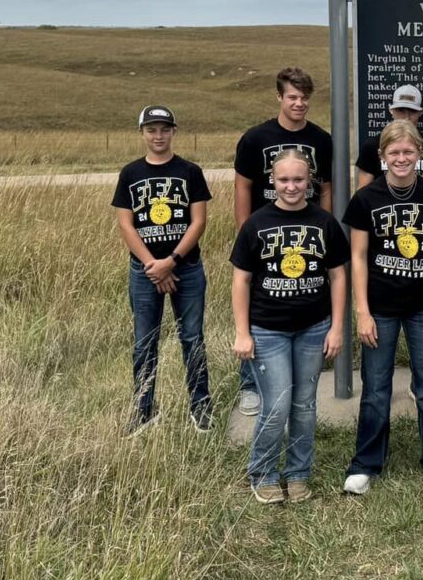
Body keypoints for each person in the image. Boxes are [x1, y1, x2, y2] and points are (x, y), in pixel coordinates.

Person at [342, 120, 423, 495]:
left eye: (408, 152)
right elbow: (358, 257)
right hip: (381, 307)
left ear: (419, 155)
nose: (401, 158)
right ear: (382, 157)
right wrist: (362, 310)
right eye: (394, 153)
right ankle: (366, 464)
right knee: (376, 387)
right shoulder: (366, 199)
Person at [230, 149, 349, 504]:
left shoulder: (323, 223)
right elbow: (240, 280)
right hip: (268, 330)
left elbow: (338, 276)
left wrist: (337, 327)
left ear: (309, 182)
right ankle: (263, 471)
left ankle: (298, 473)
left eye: (299, 179)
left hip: (314, 327)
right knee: (277, 404)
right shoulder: (256, 223)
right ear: (272, 181)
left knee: (304, 404)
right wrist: (242, 331)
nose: (292, 186)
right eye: (284, 180)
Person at [232, 66, 335, 417]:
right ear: (279, 96)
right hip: (264, 236)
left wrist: (324, 227)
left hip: (306, 235)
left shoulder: (322, 140)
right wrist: (245, 232)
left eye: (305, 98)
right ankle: (249, 384)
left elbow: (326, 189)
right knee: (258, 309)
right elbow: (243, 186)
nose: (299, 103)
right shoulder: (255, 138)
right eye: (292, 97)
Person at [111, 105, 213, 437]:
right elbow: (126, 225)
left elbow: (198, 220)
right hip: (144, 272)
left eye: (164, 129)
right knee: (144, 342)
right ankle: (143, 412)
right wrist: (152, 265)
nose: (158, 136)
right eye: (152, 130)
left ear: (173, 131)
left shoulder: (190, 171)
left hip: (187, 268)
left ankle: (201, 409)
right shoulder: (130, 173)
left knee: (192, 338)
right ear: (142, 133)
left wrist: (171, 261)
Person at [356, 85, 423, 187]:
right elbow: (362, 192)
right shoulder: (372, 146)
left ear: (420, 113)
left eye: (412, 111)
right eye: (401, 110)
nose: (406, 117)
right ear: (391, 110)